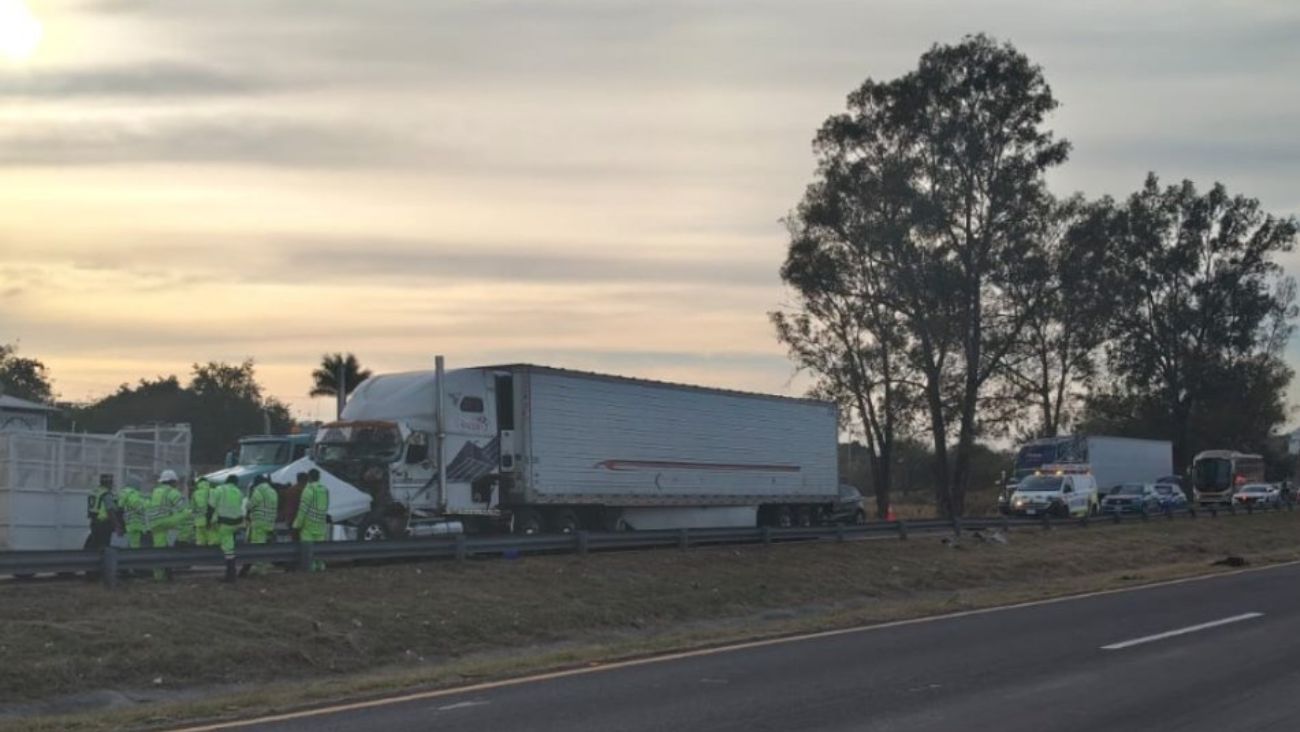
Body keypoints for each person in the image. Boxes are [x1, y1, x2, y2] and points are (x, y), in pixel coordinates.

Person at [147, 470, 186, 581]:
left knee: (159, 548)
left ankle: (159, 577)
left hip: (154, 524)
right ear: (172, 482)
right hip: (165, 522)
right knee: (187, 513)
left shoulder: (155, 491)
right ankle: (184, 534)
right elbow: (182, 507)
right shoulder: (171, 492)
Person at [209, 475, 245, 583]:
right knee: (229, 545)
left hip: (223, 523)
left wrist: (208, 520)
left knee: (223, 545)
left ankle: (230, 574)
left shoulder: (219, 490)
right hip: (236, 523)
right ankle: (231, 572)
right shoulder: (239, 492)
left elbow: (211, 506)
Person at [293, 468, 329, 572]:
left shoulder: (308, 490)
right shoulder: (324, 489)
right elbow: (326, 506)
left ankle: (310, 569)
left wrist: (297, 524)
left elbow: (303, 509)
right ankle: (321, 567)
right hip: (320, 524)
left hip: (308, 525)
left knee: (308, 552)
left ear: (309, 478)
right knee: (319, 550)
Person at [242, 474, 278, 576]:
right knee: (265, 546)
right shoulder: (273, 491)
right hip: (270, 522)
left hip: (259, 522)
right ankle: (263, 566)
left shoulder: (259, 491)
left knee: (257, 545)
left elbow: (250, 505)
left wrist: (249, 498)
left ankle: (258, 569)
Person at [84, 474, 118, 551]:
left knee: (94, 544)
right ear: (108, 483)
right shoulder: (106, 494)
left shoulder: (95, 492)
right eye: (111, 483)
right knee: (103, 546)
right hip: (103, 524)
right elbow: (110, 511)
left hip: (93, 522)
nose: (112, 485)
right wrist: (116, 525)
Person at [191, 477, 215, 547]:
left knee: (200, 542)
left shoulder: (195, 493)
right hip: (210, 521)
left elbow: (193, 508)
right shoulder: (212, 491)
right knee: (212, 541)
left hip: (198, 522)